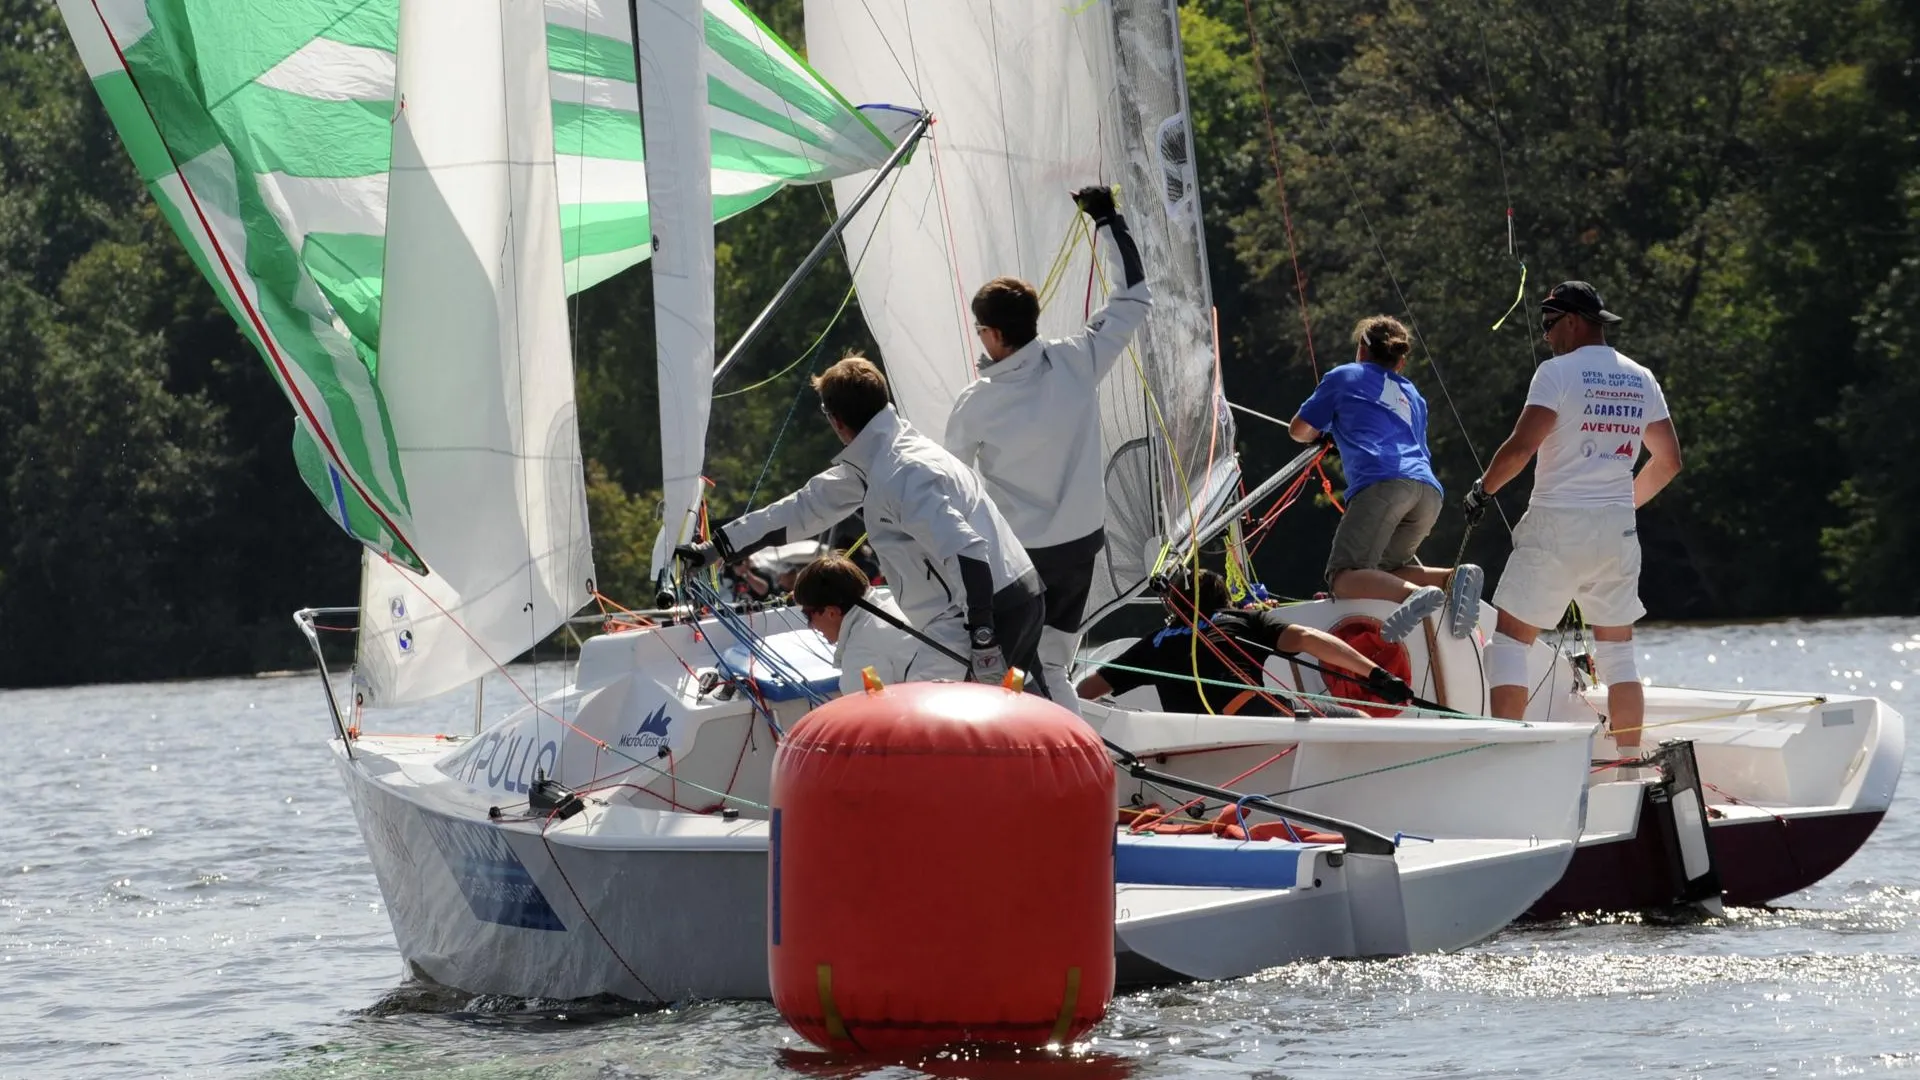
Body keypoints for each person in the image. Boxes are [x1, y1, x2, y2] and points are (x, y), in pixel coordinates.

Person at [675, 356, 1048, 694]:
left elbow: (967, 550)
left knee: (934, 726)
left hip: (984, 614)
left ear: (836, 421)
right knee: (1039, 710)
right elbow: (799, 510)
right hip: (1018, 595)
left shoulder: (901, 474)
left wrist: (983, 638)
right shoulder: (883, 461)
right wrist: (714, 549)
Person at [945, 184, 1152, 711]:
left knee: (1022, 671)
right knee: (1054, 661)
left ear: (992, 334)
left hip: (1022, 557)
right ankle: (1080, 755)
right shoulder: (1078, 358)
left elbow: (952, 489)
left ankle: (1071, 764)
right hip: (1082, 544)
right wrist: (1107, 218)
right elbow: (1133, 296)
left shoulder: (975, 403)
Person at [1463, 281, 1683, 747]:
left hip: (1557, 524)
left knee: (1508, 642)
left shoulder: (1555, 374)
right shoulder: (1641, 377)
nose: (1545, 336)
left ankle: (1505, 754)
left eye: (1549, 324)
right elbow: (1668, 461)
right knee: (1619, 655)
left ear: (1573, 321)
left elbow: (1522, 447)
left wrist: (1483, 491)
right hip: (1616, 531)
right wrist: (1625, 504)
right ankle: (1629, 769)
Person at [1288, 316, 1483, 645]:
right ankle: (1452, 579)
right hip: (1427, 492)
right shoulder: (1413, 394)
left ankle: (1414, 596)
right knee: (1379, 574)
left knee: (1343, 576)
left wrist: (1325, 431)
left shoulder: (1344, 376)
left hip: (1383, 484)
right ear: (1401, 361)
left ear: (1361, 350)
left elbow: (1299, 430)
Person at [1075, 568, 1413, 715]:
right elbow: (1310, 639)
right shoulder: (1239, 619)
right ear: (1224, 600)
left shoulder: (1155, 642)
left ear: (1175, 607)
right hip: (1252, 716)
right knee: (1358, 720)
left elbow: (1086, 692)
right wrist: (1377, 676)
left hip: (1192, 739)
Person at [792, 553, 966, 695]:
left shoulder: (861, 653)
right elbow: (878, 690)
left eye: (808, 615)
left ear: (831, 612)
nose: (810, 626)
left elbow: (869, 715)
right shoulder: (894, 601)